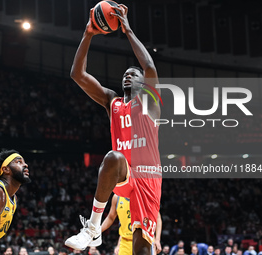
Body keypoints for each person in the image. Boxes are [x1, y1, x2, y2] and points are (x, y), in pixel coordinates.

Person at [65, 3, 161, 255]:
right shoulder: (112, 102)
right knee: (113, 157)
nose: (128, 75)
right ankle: (93, 228)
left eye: (134, 74)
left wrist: (128, 30)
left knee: (141, 248)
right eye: (126, 73)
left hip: (148, 177)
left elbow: (149, 66)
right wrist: (87, 34)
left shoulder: (150, 103)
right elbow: (77, 74)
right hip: (124, 173)